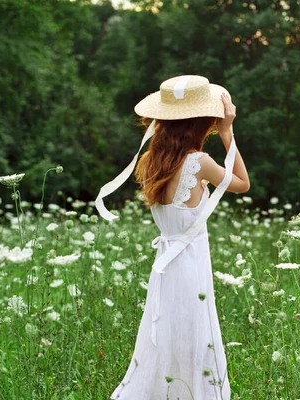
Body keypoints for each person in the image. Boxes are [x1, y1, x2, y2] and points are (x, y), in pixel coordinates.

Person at [94, 75, 250, 400]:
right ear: (201, 122)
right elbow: (242, 183)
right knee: (193, 336)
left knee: (167, 336)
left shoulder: (152, 161)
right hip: (190, 265)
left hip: (163, 268)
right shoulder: (199, 162)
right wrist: (227, 132)